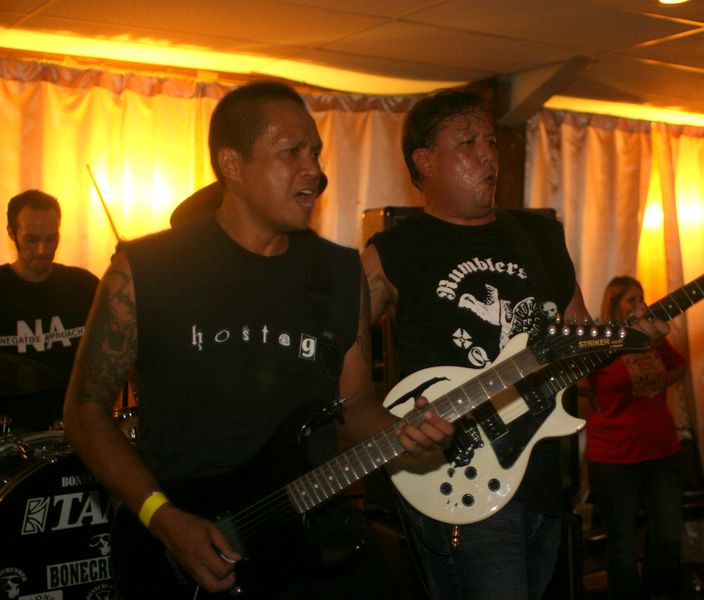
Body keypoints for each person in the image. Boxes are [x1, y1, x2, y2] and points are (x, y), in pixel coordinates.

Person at [62, 81, 453, 599]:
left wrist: (405, 434)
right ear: (232, 163)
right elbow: (85, 411)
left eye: (315, 152)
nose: (314, 169)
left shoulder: (339, 273)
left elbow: (354, 405)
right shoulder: (146, 269)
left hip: (312, 537)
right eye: (291, 152)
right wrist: (163, 518)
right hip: (186, 542)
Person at [361, 89, 668, 600]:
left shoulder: (540, 236)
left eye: (490, 141)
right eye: (467, 143)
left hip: (540, 475)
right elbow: (339, 362)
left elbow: (579, 343)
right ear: (425, 161)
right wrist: (385, 425)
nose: (488, 154)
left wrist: (631, 337)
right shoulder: (391, 252)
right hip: (457, 477)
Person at [584, 276, 686, 600]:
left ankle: (657, 592)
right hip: (614, 456)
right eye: (632, 299)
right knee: (623, 542)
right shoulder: (600, 342)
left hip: (661, 449)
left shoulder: (650, 337)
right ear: (614, 305)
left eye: (642, 298)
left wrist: (657, 384)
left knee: (669, 536)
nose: (640, 305)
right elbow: (577, 383)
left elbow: (679, 366)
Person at [1, 190, 98, 431]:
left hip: (78, 429)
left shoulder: (84, 286)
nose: (42, 249)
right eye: (31, 239)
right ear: (12, 233)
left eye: (51, 238)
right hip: (13, 431)